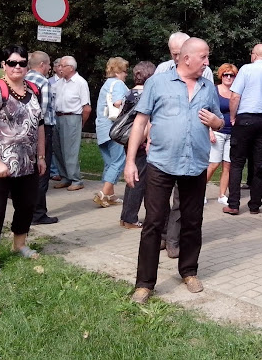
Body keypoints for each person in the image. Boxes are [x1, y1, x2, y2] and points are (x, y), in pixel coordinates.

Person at [125, 38, 224, 304]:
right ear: (186, 58)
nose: (207, 62)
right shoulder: (157, 83)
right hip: (161, 163)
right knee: (153, 222)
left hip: (195, 163)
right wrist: (130, 161)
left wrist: (216, 122)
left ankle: (189, 272)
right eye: (203, 57)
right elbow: (140, 122)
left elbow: (219, 121)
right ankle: (144, 284)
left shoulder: (208, 87)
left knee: (192, 221)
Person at [0, 45, 46, 274]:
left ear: (27, 66)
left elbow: (40, 125)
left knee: (26, 205)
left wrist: (41, 156)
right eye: (12, 63)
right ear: (4, 65)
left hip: (27, 163)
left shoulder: (33, 89)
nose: (17, 67)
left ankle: (19, 244)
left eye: (22, 63)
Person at [155, 32, 215, 257]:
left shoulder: (204, 71)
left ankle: (173, 240)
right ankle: (161, 236)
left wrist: (211, 128)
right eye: (174, 53)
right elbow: (153, 109)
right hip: (164, 149)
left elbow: (207, 106)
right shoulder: (162, 71)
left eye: (180, 53)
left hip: (191, 149)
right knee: (160, 199)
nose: (176, 57)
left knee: (181, 200)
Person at [225, 44, 262, 215]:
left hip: (244, 119)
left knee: (237, 163)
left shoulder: (246, 69)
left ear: (254, 55)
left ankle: (234, 204)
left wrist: (233, 117)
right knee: (260, 164)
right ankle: (255, 205)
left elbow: (235, 96)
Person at [119, 61, 156, 229]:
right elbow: (146, 120)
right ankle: (130, 218)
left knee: (132, 177)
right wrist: (149, 139)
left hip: (128, 140)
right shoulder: (146, 95)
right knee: (139, 180)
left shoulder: (129, 93)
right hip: (141, 142)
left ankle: (126, 216)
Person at [25, 51, 59, 224]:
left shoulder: (23, 79)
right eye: (49, 64)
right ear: (42, 65)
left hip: (24, 130)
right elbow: (42, 112)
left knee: (28, 171)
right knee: (41, 170)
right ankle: (38, 213)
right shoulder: (43, 83)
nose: (50, 67)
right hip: (42, 129)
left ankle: (25, 210)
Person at [93, 57, 130, 207]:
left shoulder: (106, 84)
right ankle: (103, 194)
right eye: (125, 71)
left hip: (101, 128)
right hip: (114, 128)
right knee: (119, 161)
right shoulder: (118, 84)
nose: (126, 74)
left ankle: (110, 195)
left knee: (109, 163)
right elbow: (117, 103)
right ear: (118, 71)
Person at [52, 56, 91, 191]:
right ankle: (65, 177)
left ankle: (76, 179)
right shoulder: (59, 83)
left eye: (62, 66)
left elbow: (87, 108)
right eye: (59, 66)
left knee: (70, 151)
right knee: (58, 149)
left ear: (71, 68)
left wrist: (81, 123)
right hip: (58, 117)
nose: (60, 68)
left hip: (72, 117)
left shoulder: (80, 83)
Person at [206, 63, 238, 206]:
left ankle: (222, 194)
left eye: (232, 75)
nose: (228, 77)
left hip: (232, 133)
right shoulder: (214, 90)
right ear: (221, 75)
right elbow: (206, 110)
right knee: (214, 164)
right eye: (226, 74)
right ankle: (199, 192)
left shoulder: (237, 92)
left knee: (228, 165)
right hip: (217, 132)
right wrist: (209, 131)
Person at [48, 57, 62, 181]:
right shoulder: (49, 82)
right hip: (52, 115)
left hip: (63, 115)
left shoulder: (68, 81)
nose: (61, 68)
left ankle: (63, 170)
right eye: (59, 66)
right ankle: (54, 171)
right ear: (54, 68)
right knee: (52, 144)